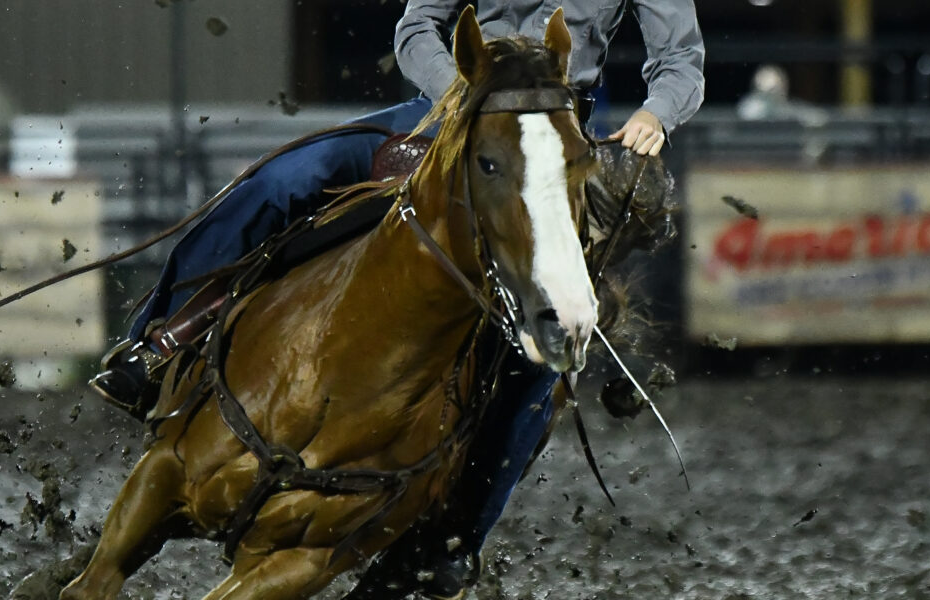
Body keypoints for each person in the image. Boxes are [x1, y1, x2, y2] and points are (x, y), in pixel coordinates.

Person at [90, 1, 703, 598]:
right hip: (445, 112)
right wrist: (457, 96)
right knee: (279, 184)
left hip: (551, 137)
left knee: (534, 366)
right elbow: (418, 25)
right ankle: (158, 344)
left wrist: (657, 112)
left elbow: (681, 59)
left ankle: (451, 540)